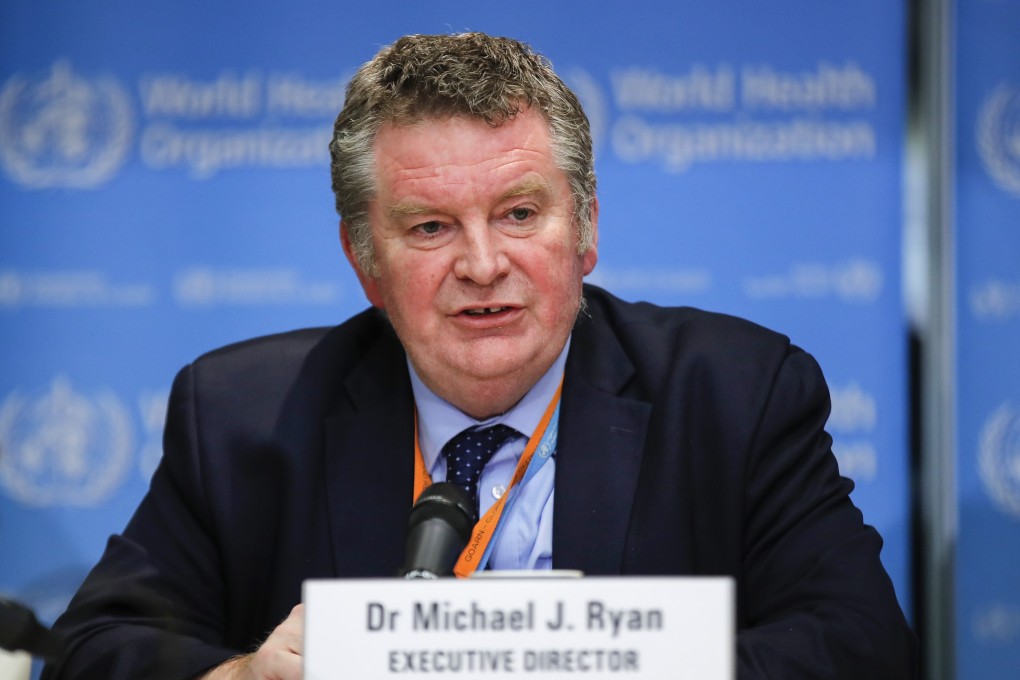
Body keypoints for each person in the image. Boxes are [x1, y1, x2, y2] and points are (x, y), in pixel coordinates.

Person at [42, 32, 916, 680]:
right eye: (430, 227)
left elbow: (863, 645)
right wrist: (240, 678)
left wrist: (599, 658)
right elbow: (89, 651)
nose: (483, 264)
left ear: (587, 230)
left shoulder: (735, 392)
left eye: (520, 213)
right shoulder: (244, 415)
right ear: (365, 262)